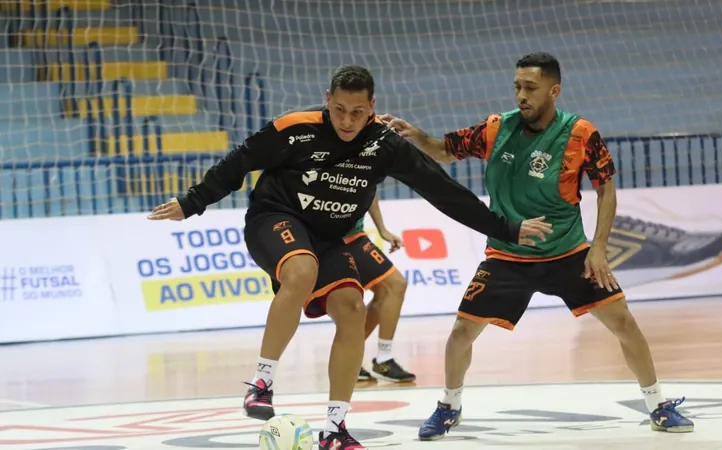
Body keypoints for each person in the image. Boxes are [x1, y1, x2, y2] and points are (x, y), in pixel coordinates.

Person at [147, 64, 552, 450]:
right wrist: (193, 201)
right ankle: (262, 383)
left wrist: (506, 227)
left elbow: (443, 192)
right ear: (327, 100)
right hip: (274, 218)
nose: (347, 120)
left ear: (372, 107)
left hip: (332, 235)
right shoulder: (295, 128)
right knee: (302, 270)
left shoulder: (385, 145)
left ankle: (335, 427)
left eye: (357, 112)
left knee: (353, 308)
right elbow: (239, 162)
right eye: (339, 110)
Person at [381, 52, 694, 441]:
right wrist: (417, 137)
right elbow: (444, 150)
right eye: (517, 86)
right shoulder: (498, 128)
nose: (521, 95)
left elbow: (606, 189)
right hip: (508, 253)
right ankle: (449, 406)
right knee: (462, 331)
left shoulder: (581, 134)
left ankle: (658, 406)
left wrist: (598, 248)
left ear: (554, 90)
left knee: (624, 323)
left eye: (530, 87)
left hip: (568, 253)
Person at [343, 195, 416, 383]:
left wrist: (382, 229)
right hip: (339, 239)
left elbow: (370, 189)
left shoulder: (365, 167)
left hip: (355, 236)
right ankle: (382, 358)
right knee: (395, 286)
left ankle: (350, 357)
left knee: (386, 292)